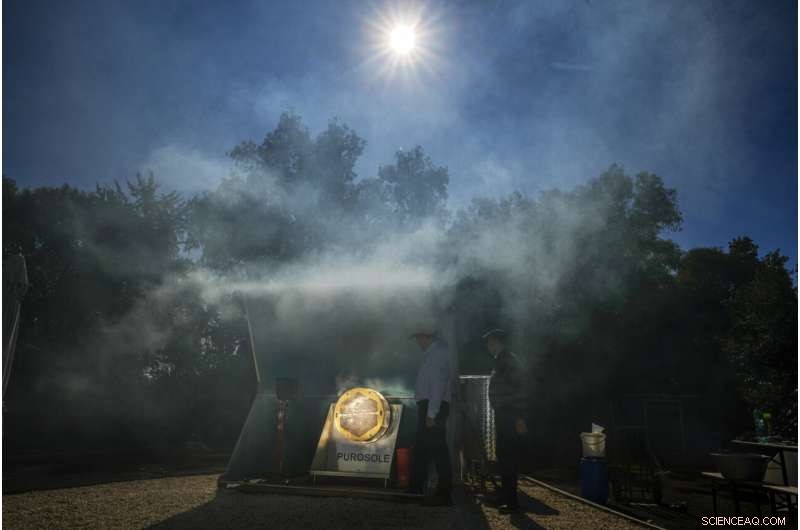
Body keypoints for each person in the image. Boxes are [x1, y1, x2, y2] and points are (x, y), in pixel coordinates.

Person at [410, 326, 455, 506]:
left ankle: (444, 493)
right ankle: (415, 488)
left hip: (432, 407)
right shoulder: (432, 355)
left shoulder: (436, 356)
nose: (418, 342)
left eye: (419, 338)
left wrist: (431, 413)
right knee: (421, 449)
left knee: (438, 450)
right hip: (429, 406)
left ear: (427, 337)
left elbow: (437, 386)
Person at [483, 328, 528, 511]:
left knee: (508, 457)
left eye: (488, 342)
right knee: (503, 456)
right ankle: (506, 496)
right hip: (505, 414)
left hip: (510, 415)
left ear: (495, 341)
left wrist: (519, 417)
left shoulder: (508, 360)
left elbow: (519, 389)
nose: (487, 346)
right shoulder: (503, 359)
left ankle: (512, 502)